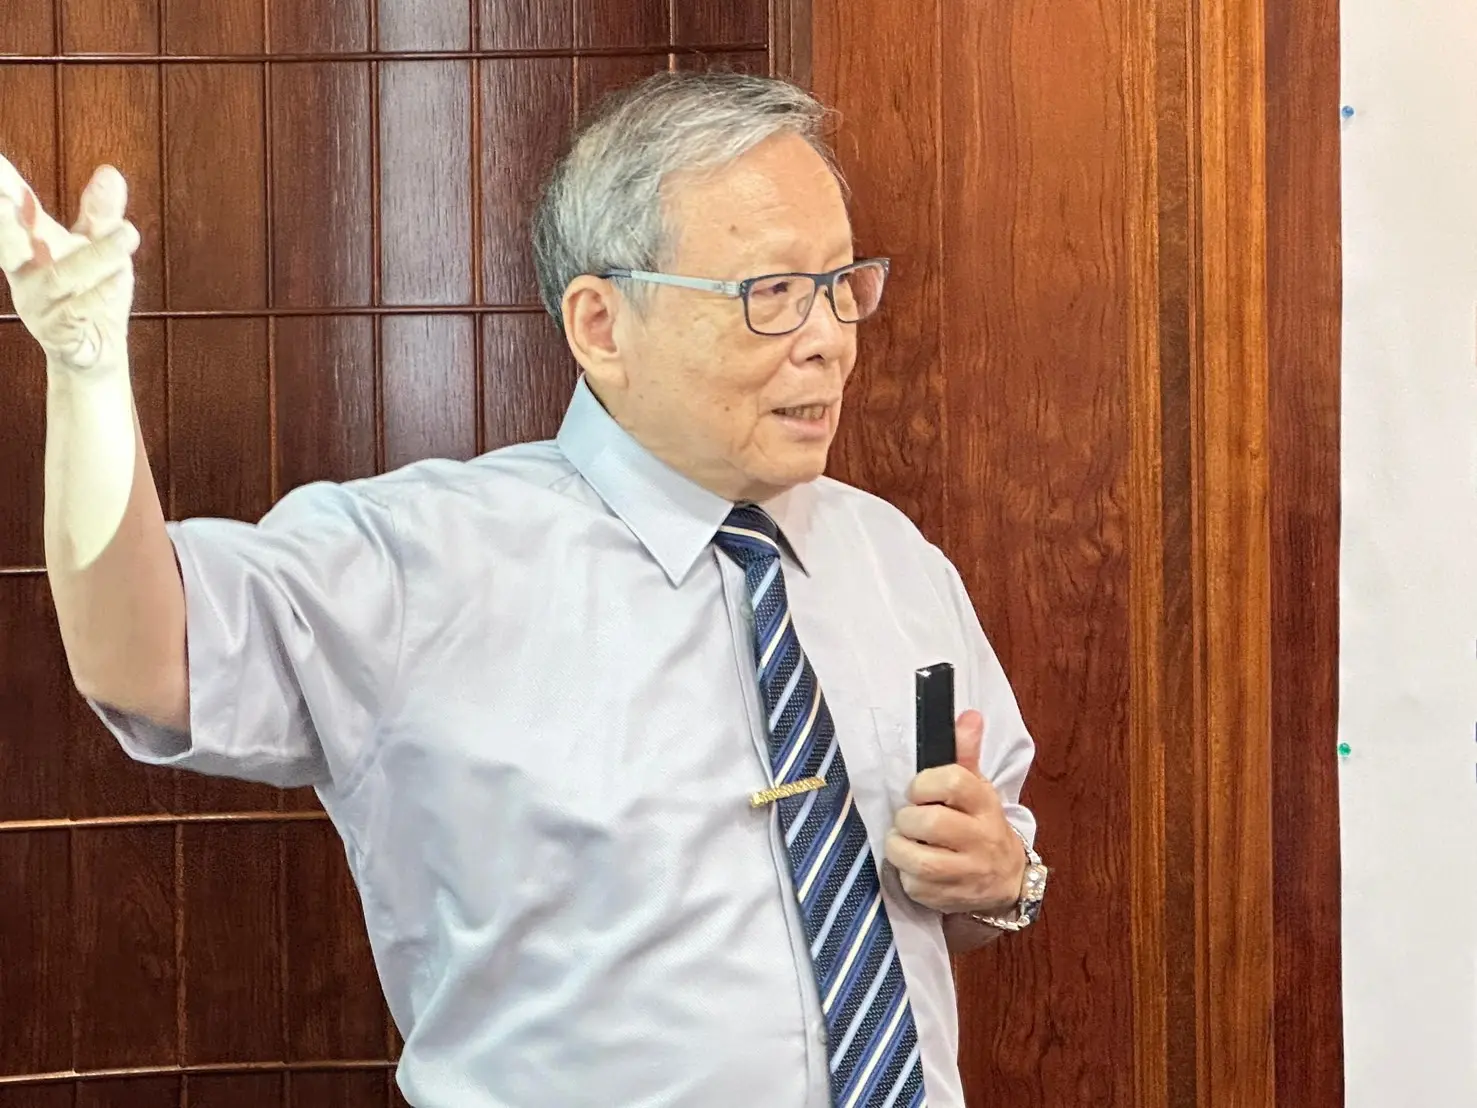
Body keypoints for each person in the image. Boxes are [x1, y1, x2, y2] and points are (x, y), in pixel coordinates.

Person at [0, 72, 1047, 1108]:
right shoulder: (425, 561)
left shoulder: (893, 559)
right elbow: (142, 658)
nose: (827, 337)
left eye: (841, 283)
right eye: (769, 293)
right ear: (601, 324)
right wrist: (88, 379)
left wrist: (1000, 878)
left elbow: (981, 883)